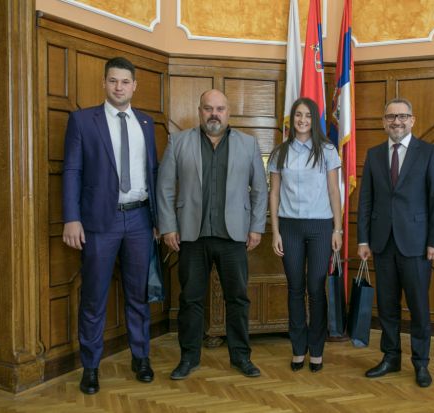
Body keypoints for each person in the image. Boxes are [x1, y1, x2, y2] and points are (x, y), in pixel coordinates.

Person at [62, 57, 158, 394]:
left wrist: (158, 220)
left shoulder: (146, 123)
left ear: (134, 86)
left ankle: (141, 357)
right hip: (99, 221)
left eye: (125, 81)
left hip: (140, 219)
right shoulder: (82, 120)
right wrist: (71, 218)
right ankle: (90, 367)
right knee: (93, 297)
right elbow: (72, 170)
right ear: (104, 83)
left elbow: (153, 172)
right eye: (113, 80)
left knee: (139, 295)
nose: (119, 87)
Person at [157, 89, 268, 380]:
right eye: (208, 108)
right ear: (200, 111)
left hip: (234, 236)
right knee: (191, 300)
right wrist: (168, 226)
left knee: (238, 299)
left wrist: (256, 227)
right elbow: (165, 187)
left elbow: (260, 189)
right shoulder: (179, 142)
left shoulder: (248, 144)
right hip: (191, 236)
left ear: (228, 112)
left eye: (220, 109)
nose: (214, 114)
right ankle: (188, 358)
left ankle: (241, 357)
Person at [357, 97, 434, 388]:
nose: (396, 121)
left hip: (417, 245)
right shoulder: (374, 155)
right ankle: (390, 357)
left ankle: (421, 363)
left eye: (402, 116)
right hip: (382, 244)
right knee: (386, 306)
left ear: (412, 120)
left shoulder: (429, 153)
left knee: (419, 308)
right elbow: (366, 200)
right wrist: (363, 240)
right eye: (391, 117)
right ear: (384, 122)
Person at [268, 97, 342, 373]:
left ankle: (317, 350)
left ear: (314, 120)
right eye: (298, 115)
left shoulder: (327, 150)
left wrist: (337, 229)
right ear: (292, 118)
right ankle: (298, 349)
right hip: (289, 228)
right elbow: (274, 194)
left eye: (308, 115)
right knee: (295, 289)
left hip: (321, 227)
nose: (302, 120)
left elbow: (334, 191)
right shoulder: (280, 152)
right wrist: (275, 231)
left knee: (316, 289)